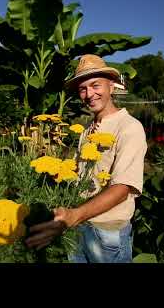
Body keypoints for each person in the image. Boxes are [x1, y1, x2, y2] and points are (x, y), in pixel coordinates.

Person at [25, 54, 147, 263]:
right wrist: (56, 168)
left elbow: (122, 187)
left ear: (112, 85)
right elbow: (80, 174)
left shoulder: (129, 127)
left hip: (106, 235)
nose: (89, 94)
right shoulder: (88, 129)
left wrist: (75, 215)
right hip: (80, 226)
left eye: (95, 85)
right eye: (83, 89)